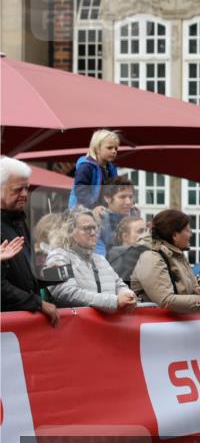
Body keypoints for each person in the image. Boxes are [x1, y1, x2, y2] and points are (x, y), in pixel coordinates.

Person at [131, 210, 200, 313]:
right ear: (174, 235)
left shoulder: (176, 254)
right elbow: (165, 300)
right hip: (152, 323)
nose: (190, 234)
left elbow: (182, 289)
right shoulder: (151, 257)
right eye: (187, 230)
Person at [1, 157, 59, 326]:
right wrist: (38, 303)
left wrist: (63, 272)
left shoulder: (17, 220)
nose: (25, 195)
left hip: (25, 323)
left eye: (27, 188)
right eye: (18, 189)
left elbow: (28, 273)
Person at [44, 209, 137, 313]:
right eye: (87, 228)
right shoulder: (56, 256)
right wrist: (113, 301)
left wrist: (128, 295)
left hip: (107, 326)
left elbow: (119, 284)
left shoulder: (100, 259)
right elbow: (64, 292)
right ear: (69, 231)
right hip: (75, 326)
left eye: (95, 228)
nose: (93, 233)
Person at [68, 129, 120, 209]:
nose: (114, 151)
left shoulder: (111, 169)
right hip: (83, 212)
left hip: (103, 211)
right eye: (109, 148)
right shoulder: (86, 167)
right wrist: (93, 208)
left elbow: (115, 191)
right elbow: (81, 192)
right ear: (97, 148)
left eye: (116, 148)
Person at [96, 175, 139, 255]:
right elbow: (101, 258)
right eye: (122, 197)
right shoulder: (99, 221)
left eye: (130, 197)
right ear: (107, 198)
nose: (128, 202)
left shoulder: (135, 216)